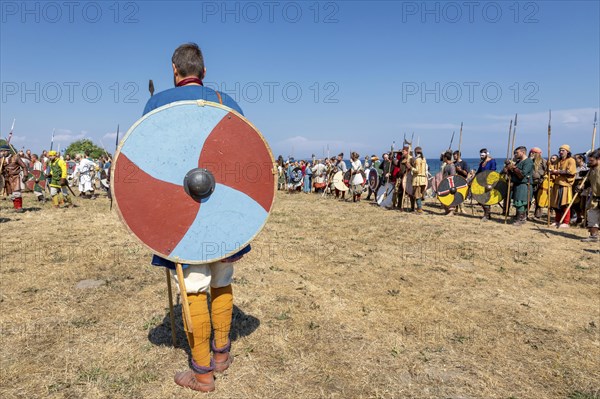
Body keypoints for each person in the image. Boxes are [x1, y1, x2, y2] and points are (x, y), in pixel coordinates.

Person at [144, 43, 246, 392]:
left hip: (183, 210)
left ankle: (202, 373)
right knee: (221, 276)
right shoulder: (226, 103)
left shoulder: (159, 104)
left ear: (175, 70)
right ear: (203, 71)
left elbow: (146, 165)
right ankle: (221, 354)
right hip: (225, 210)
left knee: (194, 285)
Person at [504, 146, 534, 226]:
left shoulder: (528, 162)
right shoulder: (519, 161)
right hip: (518, 184)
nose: (515, 154)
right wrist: (508, 169)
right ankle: (519, 217)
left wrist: (514, 168)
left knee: (521, 202)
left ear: (523, 152)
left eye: (517, 153)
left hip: (524, 185)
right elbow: (513, 174)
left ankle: (521, 219)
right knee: (517, 201)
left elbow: (522, 175)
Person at [549, 144, 576, 228]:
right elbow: (553, 168)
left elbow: (570, 172)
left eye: (563, 150)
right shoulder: (558, 161)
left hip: (565, 185)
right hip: (557, 184)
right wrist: (551, 169)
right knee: (556, 204)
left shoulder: (571, 160)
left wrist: (557, 172)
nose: (561, 152)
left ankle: (565, 222)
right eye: (560, 150)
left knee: (565, 204)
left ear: (567, 151)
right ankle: (557, 220)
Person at [580, 149, 600, 242]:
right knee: (592, 216)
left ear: (598, 159)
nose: (589, 162)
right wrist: (581, 187)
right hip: (595, 198)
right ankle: (594, 235)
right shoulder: (591, 170)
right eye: (589, 160)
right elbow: (588, 182)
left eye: (591, 161)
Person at [0, 145, 28, 212]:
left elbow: (24, 166)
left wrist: (25, 175)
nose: (3, 152)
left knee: (17, 193)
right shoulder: (1, 159)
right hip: (7, 178)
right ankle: (16, 207)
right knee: (12, 194)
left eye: (4, 151)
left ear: (8, 151)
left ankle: (19, 207)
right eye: (1, 151)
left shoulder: (15, 157)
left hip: (15, 177)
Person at [475, 149, 497, 221]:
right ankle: (487, 214)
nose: (481, 156)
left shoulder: (492, 161)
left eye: (482, 155)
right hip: (482, 183)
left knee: (486, 199)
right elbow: (478, 172)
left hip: (489, 183)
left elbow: (493, 170)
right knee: (482, 199)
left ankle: (486, 215)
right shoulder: (482, 163)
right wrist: (472, 180)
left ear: (486, 154)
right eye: (480, 155)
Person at [529, 147, 547, 219]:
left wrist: (543, 178)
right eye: (531, 152)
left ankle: (538, 215)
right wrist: (529, 160)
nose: (531, 154)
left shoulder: (543, 161)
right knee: (528, 198)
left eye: (533, 153)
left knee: (538, 199)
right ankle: (525, 213)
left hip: (539, 182)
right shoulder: (528, 160)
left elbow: (546, 171)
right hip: (529, 182)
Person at [573, 153, 589, 226]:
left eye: (576, 159)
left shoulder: (587, 167)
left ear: (581, 159)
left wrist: (582, 185)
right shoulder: (575, 167)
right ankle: (578, 217)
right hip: (574, 185)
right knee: (575, 203)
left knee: (583, 203)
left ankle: (586, 219)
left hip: (583, 185)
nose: (575, 160)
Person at [411, 147, 427, 214]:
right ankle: (419, 208)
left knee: (417, 195)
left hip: (418, 179)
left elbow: (417, 170)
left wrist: (411, 167)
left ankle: (419, 209)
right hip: (423, 179)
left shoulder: (417, 160)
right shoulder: (424, 159)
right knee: (420, 194)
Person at [441, 150, 456, 215]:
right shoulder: (446, 165)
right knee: (445, 197)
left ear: (446, 158)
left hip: (450, 184)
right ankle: (447, 210)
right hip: (445, 183)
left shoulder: (451, 166)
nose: (442, 158)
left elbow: (452, 176)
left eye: (443, 157)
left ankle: (451, 211)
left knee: (450, 198)